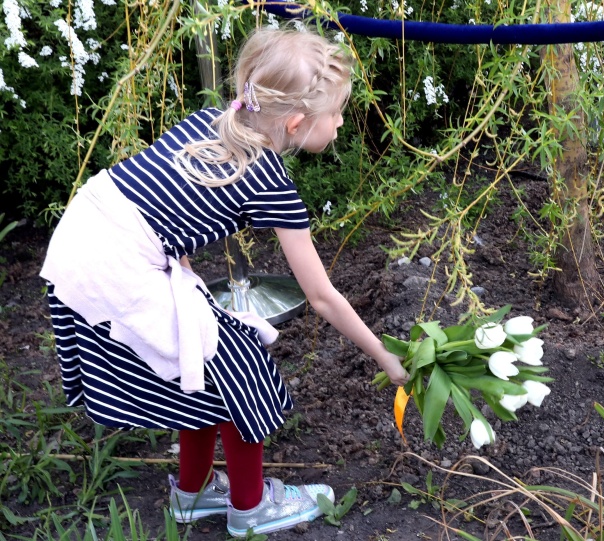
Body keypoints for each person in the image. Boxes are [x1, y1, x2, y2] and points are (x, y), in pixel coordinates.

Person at [40, 27, 409, 537]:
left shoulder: (217, 123)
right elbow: (322, 296)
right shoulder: (270, 182)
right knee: (243, 371)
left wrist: (181, 275)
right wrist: (386, 358)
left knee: (203, 355)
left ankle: (191, 496)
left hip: (87, 229)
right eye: (338, 112)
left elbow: (162, 198)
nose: (343, 121)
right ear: (298, 122)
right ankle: (250, 509)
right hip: (112, 264)